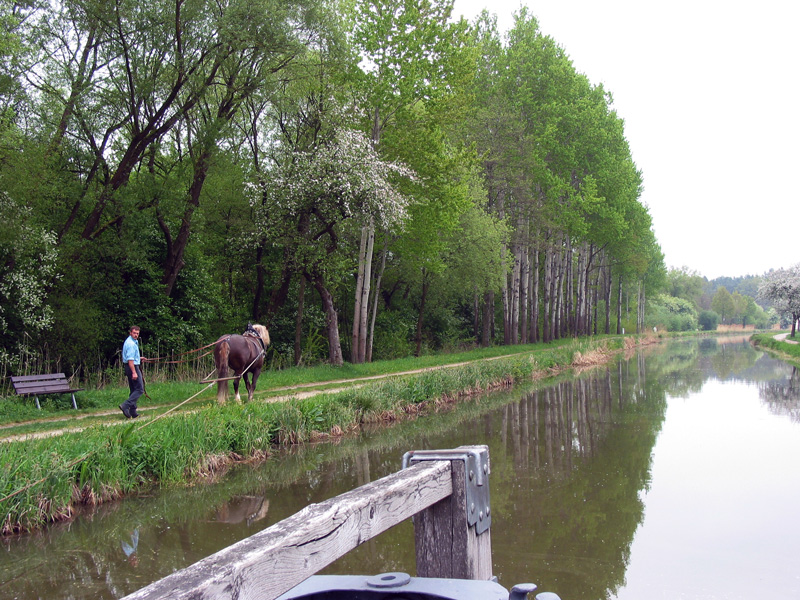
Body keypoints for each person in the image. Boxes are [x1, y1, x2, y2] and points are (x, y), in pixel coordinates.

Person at [120, 325, 145, 418]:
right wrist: (134, 372)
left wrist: (139, 358)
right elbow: (130, 360)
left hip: (130, 366)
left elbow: (132, 357)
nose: (136, 335)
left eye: (137, 333)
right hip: (132, 367)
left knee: (133, 389)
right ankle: (125, 405)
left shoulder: (133, 341)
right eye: (134, 333)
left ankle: (133, 412)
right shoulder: (130, 344)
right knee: (139, 389)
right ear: (130, 332)